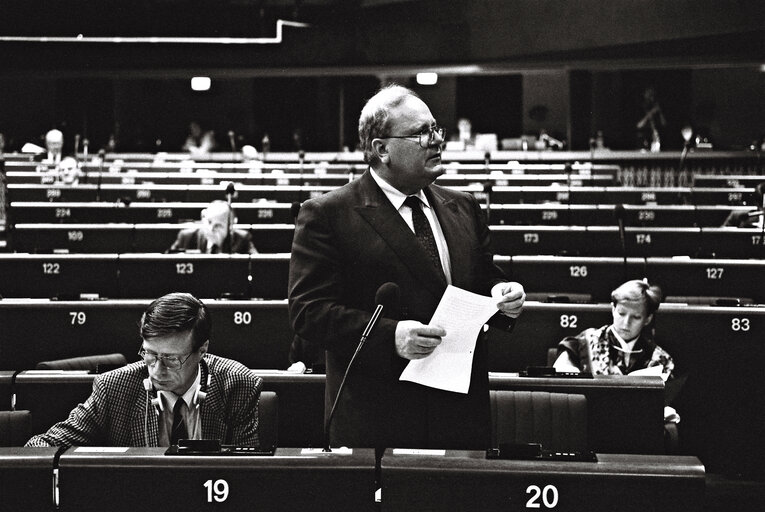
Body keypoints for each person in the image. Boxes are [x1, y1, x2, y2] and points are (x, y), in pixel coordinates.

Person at [288, 84, 525, 450]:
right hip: (380, 415)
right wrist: (390, 336)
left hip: (460, 411)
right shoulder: (328, 214)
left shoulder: (463, 206)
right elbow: (309, 313)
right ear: (380, 149)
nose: (436, 141)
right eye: (420, 134)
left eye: (436, 129)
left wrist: (500, 294)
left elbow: (482, 278)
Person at [26, 292, 263, 448]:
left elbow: (247, 471)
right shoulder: (114, 388)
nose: (157, 371)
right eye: (150, 354)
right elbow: (45, 445)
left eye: (171, 359)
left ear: (202, 351)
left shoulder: (237, 384)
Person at [553, 279, 674, 378]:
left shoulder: (659, 359)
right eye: (621, 314)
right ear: (613, 309)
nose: (626, 323)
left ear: (647, 319)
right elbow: (561, 372)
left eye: (636, 317)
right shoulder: (584, 342)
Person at [168, 200, 258, 254]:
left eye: (218, 225)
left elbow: (257, 268)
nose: (211, 229)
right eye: (209, 222)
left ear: (230, 227)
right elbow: (166, 266)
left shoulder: (242, 239)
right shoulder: (186, 237)